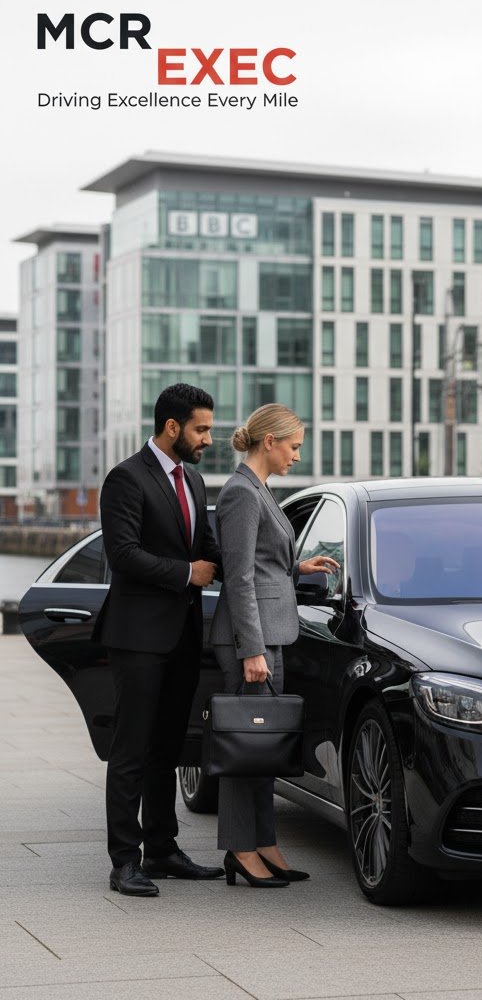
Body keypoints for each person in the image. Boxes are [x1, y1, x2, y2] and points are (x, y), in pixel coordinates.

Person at [97, 383, 225, 897]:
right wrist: (184, 573)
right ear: (172, 427)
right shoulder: (125, 479)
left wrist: (288, 566)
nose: (208, 439)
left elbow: (212, 549)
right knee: (131, 749)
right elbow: (122, 554)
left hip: (183, 638)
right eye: (201, 429)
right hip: (138, 639)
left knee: (169, 750)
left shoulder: (193, 481)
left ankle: (163, 849)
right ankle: (124, 861)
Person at [209, 404, 339, 887]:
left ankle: (264, 843)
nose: (297, 456)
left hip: (268, 635)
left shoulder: (259, 490)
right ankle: (241, 850)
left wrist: (297, 568)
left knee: (261, 749)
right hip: (252, 641)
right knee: (246, 750)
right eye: (294, 446)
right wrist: (252, 650)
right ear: (270, 442)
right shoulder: (242, 493)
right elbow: (238, 578)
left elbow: (261, 562)